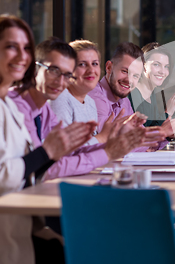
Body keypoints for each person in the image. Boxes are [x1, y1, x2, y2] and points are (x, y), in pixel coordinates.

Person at [0, 15, 94, 264]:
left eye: (26, 49)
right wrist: (47, 153)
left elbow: (31, 169)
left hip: (24, 222)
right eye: (11, 47)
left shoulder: (9, 105)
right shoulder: (14, 105)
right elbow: (6, 174)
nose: (22, 57)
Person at [10, 37, 157, 180]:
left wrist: (111, 143)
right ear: (34, 68)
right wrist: (106, 148)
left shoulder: (47, 107)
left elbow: (68, 152)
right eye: (54, 70)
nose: (61, 81)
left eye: (66, 74)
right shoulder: (17, 105)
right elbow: (51, 165)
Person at [88, 42, 175, 147]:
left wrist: (168, 135)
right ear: (109, 68)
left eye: (135, 76)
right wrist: (163, 130)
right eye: (125, 71)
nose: (129, 80)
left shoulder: (124, 100)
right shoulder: (96, 97)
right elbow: (112, 144)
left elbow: (141, 144)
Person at [49, 40, 110, 145]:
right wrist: (102, 137)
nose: (91, 70)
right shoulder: (59, 98)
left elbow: (91, 148)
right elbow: (63, 148)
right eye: (82, 64)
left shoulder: (90, 102)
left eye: (95, 64)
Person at [129, 42, 175, 127]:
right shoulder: (133, 94)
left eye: (166, 67)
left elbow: (156, 127)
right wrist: (168, 112)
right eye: (156, 64)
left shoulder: (151, 94)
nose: (162, 72)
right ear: (143, 66)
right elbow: (146, 134)